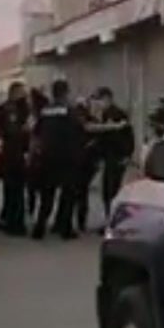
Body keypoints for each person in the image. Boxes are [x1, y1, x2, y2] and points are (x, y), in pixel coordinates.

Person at [31, 79, 84, 240]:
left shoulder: (45, 110)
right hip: (66, 158)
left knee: (47, 195)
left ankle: (39, 228)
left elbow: (37, 132)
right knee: (68, 195)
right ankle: (65, 229)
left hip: (47, 158)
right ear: (66, 92)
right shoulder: (70, 111)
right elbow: (79, 131)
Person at [0, 81, 30, 235]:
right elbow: (9, 131)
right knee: (14, 192)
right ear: (14, 93)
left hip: (15, 155)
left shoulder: (23, 108)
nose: (24, 95)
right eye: (21, 92)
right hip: (12, 155)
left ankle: (11, 221)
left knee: (15, 191)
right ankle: (14, 224)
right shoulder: (10, 109)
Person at [91, 86, 136, 220]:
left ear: (107, 98)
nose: (97, 103)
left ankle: (113, 221)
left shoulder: (117, 114)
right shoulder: (106, 114)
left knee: (111, 191)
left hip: (116, 158)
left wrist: (127, 155)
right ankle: (110, 219)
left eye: (99, 99)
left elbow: (127, 136)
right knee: (108, 191)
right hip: (111, 157)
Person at [74, 97, 101, 233]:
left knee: (80, 192)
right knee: (80, 193)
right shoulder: (74, 121)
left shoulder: (88, 121)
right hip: (81, 162)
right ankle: (80, 222)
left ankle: (80, 221)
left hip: (84, 162)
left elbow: (98, 142)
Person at [25, 87, 48, 218]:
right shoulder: (44, 115)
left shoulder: (36, 116)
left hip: (36, 155)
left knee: (32, 188)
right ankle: (39, 214)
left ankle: (33, 213)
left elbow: (31, 132)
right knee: (42, 190)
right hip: (44, 154)